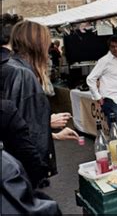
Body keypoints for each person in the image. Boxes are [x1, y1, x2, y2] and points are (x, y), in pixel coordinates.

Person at [1, 21, 79, 185]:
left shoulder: (10, 67)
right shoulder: (22, 74)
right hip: (21, 174)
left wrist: (52, 133)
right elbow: (22, 136)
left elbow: (14, 126)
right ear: (37, 45)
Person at [87, 35, 117, 133]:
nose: (115, 49)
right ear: (109, 47)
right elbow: (90, 79)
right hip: (111, 99)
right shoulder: (104, 61)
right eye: (113, 46)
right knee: (116, 129)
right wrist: (97, 96)